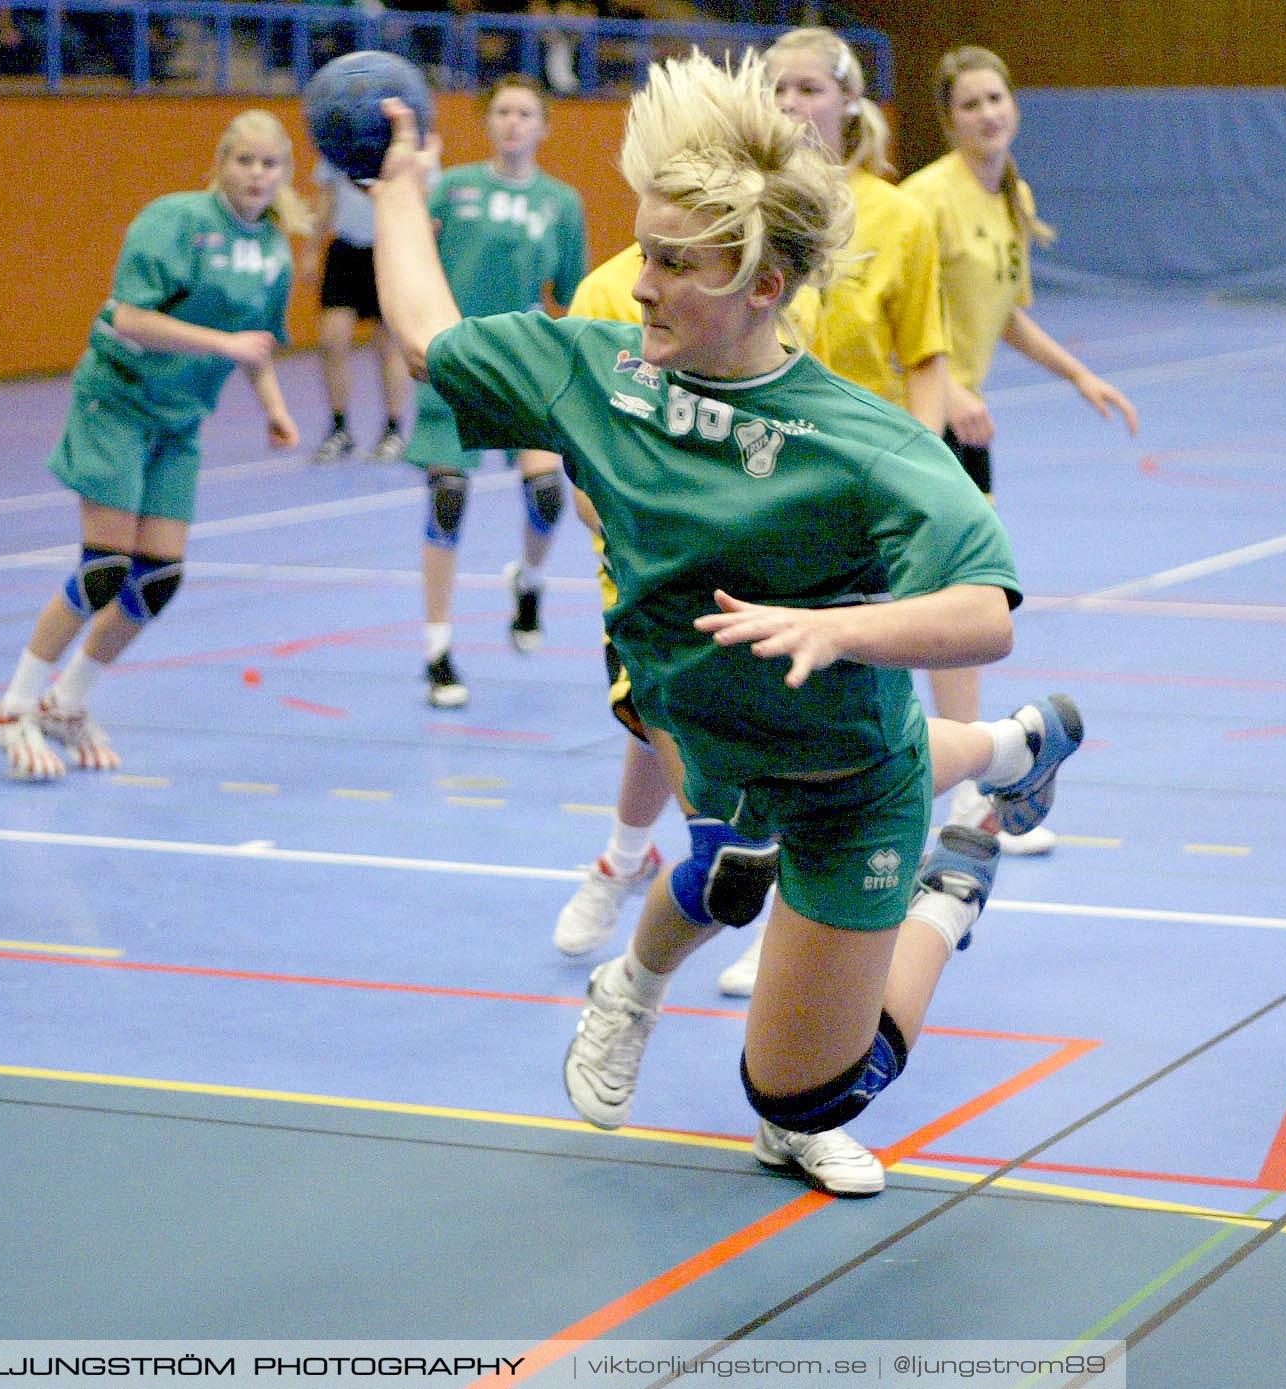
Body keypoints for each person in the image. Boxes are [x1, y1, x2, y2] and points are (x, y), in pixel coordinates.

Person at [370, 50, 1084, 1196]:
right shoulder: (592, 373)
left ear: (760, 286)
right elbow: (423, 336)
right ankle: (1006, 755)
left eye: (670, 263)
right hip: (708, 737)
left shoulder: (864, 444)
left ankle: (957, 874)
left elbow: (982, 611)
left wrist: (842, 632)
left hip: (852, 777)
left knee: (803, 1099)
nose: (638, 284)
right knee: (733, 858)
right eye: (641, 249)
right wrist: (391, 185)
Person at [554, 27, 959, 1002]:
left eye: (806, 88)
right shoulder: (617, 291)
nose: (787, 107)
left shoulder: (830, 258)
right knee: (704, 794)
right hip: (675, 600)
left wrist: (922, 485)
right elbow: (581, 457)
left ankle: (981, 788)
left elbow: (920, 363)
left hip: (824, 563)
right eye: (771, 89)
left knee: (842, 760)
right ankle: (624, 877)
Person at [0, 112, 307, 781]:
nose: (256, 175)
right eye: (244, 161)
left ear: (285, 174)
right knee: (104, 566)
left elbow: (258, 344)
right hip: (119, 401)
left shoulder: (275, 250)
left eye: (269, 164)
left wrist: (275, 408)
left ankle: (66, 702)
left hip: (178, 420)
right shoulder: (173, 221)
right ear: (222, 162)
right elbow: (129, 317)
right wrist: (223, 345)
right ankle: (10, 709)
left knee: (156, 577)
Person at [901, 45, 1139, 851]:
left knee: (963, 601)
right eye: (968, 104)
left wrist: (1080, 374)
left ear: (1014, 106)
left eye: (995, 98)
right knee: (951, 600)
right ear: (948, 119)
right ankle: (960, 784)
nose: (986, 113)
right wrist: (950, 388)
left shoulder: (1010, 194)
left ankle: (966, 776)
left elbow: (1004, 312)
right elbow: (900, 311)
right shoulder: (924, 199)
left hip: (958, 425)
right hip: (917, 420)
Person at [405, 74, 588, 709]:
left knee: (546, 494)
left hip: (524, 367)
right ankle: (437, 651)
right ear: (487, 122)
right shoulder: (452, 190)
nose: (513, 122)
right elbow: (412, 267)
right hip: (453, 365)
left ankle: (529, 584)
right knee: (448, 499)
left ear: (543, 126)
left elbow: (572, 295)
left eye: (526, 113)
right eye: (503, 111)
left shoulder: (561, 203)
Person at [306, 161, 412, 464]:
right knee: (332, 340)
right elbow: (327, 196)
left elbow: (422, 199)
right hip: (345, 252)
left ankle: (393, 429)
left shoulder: (403, 143)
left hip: (388, 250)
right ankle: (339, 428)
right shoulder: (338, 141)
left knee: (389, 345)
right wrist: (313, 249)